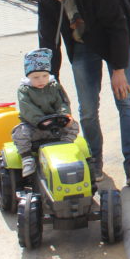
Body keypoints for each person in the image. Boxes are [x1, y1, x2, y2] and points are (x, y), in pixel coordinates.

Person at [35, 0, 130, 187]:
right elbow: (48, 41)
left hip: (115, 40)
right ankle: (94, 160)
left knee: (125, 99)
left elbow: (118, 25)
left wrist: (119, 69)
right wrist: (49, 79)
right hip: (83, 46)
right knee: (87, 108)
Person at [12, 48, 80, 177]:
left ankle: (65, 145)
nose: (41, 80)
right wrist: (40, 120)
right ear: (28, 76)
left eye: (45, 76)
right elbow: (28, 109)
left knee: (74, 125)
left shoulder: (54, 86)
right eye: (35, 77)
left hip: (55, 124)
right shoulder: (24, 90)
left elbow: (62, 103)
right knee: (19, 133)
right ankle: (27, 158)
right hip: (34, 126)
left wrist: (65, 115)